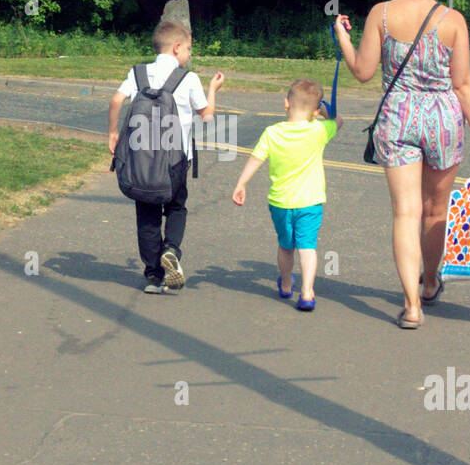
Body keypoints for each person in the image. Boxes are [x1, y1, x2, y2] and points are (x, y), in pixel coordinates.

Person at [333, 0, 470, 328]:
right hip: (442, 119)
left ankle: (411, 306)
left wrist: (342, 35)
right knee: (434, 209)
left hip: (398, 116)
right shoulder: (453, 20)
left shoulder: (382, 14)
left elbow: (362, 71)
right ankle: (430, 282)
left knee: (404, 212)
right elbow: (462, 84)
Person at [108, 20, 224, 292]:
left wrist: (112, 133)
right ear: (176, 48)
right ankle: (171, 248)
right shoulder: (188, 78)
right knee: (175, 206)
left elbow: (115, 101)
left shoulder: (137, 73)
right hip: (174, 162)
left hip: (140, 160)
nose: (188, 55)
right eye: (188, 50)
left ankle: (152, 276)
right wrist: (213, 91)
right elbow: (206, 117)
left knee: (146, 213)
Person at [231, 78, 337, 311]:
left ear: (286, 103)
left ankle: (287, 283)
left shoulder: (272, 133)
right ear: (315, 111)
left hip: (280, 202)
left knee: (285, 246)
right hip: (310, 202)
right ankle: (307, 292)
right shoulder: (319, 130)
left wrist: (241, 183)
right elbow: (338, 122)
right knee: (307, 247)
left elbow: (256, 159)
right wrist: (326, 114)